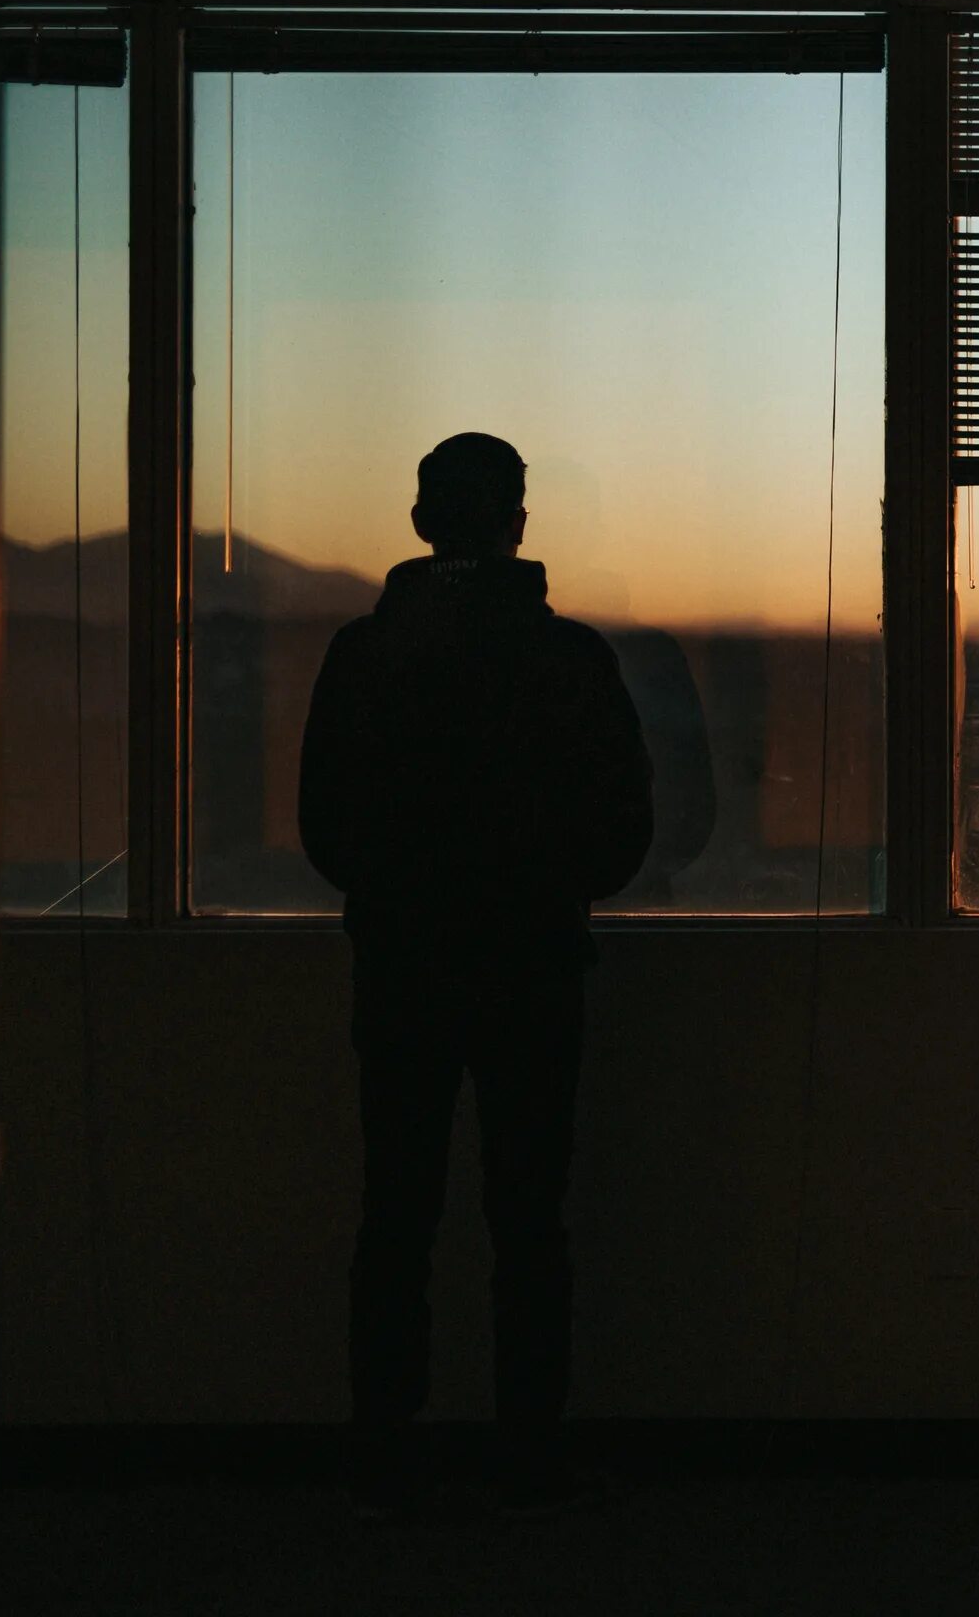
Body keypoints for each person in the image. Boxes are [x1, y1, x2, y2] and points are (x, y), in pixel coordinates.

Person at [299, 432, 652, 1518]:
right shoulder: (570, 659)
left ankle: (384, 1444)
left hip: (402, 967)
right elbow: (624, 826)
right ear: (517, 526)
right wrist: (544, 891)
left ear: (420, 525)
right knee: (530, 1218)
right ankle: (529, 1449)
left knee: (396, 1209)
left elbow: (326, 824)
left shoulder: (365, 656)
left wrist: (404, 896)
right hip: (534, 966)